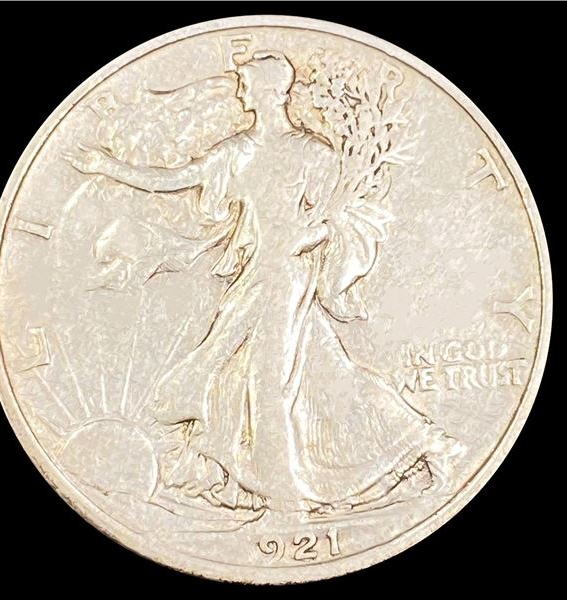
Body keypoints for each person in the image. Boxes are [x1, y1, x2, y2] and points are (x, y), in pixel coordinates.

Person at [66, 51, 463, 513]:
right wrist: (108, 167)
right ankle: (413, 451)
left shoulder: (314, 153)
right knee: (318, 375)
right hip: (254, 275)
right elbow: (177, 178)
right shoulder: (236, 152)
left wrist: (308, 236)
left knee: (266, 383)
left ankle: (287, 499)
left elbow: (337, 219)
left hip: (288, 276)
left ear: (272, 91)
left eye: (247, 84)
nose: (240, 92)